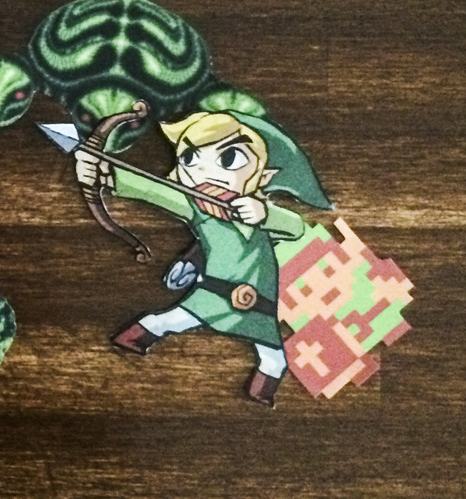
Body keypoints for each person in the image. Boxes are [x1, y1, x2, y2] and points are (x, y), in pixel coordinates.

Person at [75, 109, 329, 405]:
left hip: (261, 304)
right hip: (216, 294)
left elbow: (296, 227)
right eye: (190, 159)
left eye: (229, 158)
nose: (204, 171)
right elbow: (156, 191)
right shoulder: (197, 209)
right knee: (172, 321)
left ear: (263, 175)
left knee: (275, 360)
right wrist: (107, 174)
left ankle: (260, 394)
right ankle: (134, 336)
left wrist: (264, 213)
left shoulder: (258, 214)